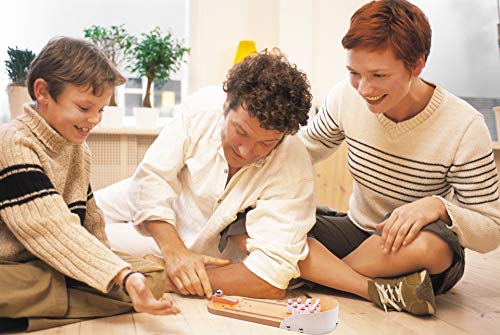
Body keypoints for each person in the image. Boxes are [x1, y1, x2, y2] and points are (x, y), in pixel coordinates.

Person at [298, 0, 500, 316]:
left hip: (415, 248)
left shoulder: (464, 125)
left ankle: (321, 275)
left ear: (417, 65)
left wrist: (438, 207)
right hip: (357, 231)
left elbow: (491, 229)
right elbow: (301, 151)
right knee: (252, 219)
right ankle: (370, 287)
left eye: (378, 75)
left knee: (430, 244)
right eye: (354, 73)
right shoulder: (344, 97)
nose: (364, 89)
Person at [95, 48, 316, 300]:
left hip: (204, 249)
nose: (245, 151)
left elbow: (271, 279)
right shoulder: (200, 108)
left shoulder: (293, 162)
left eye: (265, 144)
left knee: (91, 248)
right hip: (167, 209)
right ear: (226, 104)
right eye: (240, 131)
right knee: (75, 217)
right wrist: (174, 252)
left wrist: (172, 278)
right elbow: (152, 179)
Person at [0, 37, 179, 333]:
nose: (94, 120)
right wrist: (120, 277)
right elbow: (52, 229)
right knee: (125, 280)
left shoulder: (78, 149)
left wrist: (117, 273)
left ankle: (34, 314)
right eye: (84, 108)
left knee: (152, 275)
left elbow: (92, 224)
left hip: (53, 268)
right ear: (42, 92)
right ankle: (49, 305)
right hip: (13, 268)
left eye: (101, 110)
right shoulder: (13, 143)